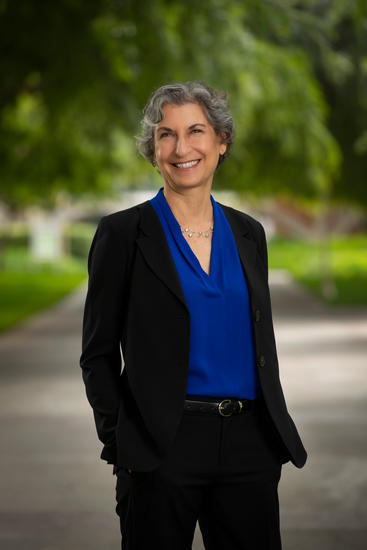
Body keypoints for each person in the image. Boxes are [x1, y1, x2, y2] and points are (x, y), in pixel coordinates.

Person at [79, 80, 307, 550]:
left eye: (196, 131)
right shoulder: (122, 234)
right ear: (153, 149)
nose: (182, 147)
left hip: (249, 444)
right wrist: (124, 441)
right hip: (162, 447)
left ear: (221, 142)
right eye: (166, 134)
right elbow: (97, 353)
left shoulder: (249, 234)